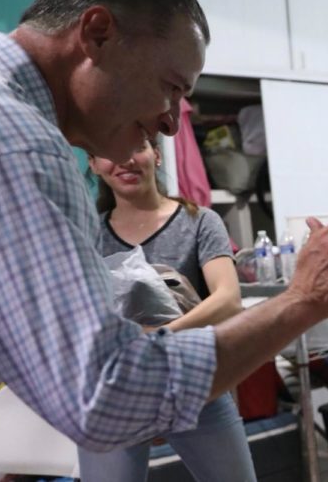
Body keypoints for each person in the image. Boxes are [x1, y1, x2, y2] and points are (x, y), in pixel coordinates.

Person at [0, 0, 328, 452]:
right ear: (97, 34)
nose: (172, 124)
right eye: (171, 87)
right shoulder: (17, 144)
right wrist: (304, 300)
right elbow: (104, 399)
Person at [79, 137, 255, 481]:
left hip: (194, 383)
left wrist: (158, 338)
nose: (125, 161)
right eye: (109, 152)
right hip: (119, 391)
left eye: (136, 147)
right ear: (93, 164)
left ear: (156, 155)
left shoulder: (199, 221)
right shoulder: (89, 234)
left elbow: (228, 300)